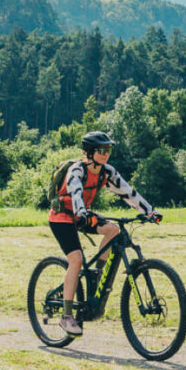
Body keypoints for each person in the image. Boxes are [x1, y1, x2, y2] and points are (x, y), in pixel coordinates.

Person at [47, 130, 157, 337]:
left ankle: (97, 276)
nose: (106, 154)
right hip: (62, 217)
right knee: (76, 260)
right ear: (89, 152)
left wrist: (149, 211)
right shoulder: (76, 170)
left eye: (108, 150)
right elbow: (76, 192)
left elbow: (128, 193)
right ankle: (67, 315)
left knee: (113, 230)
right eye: (101, 150)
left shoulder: (107, 172)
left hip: (82, 215)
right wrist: (81, 213)